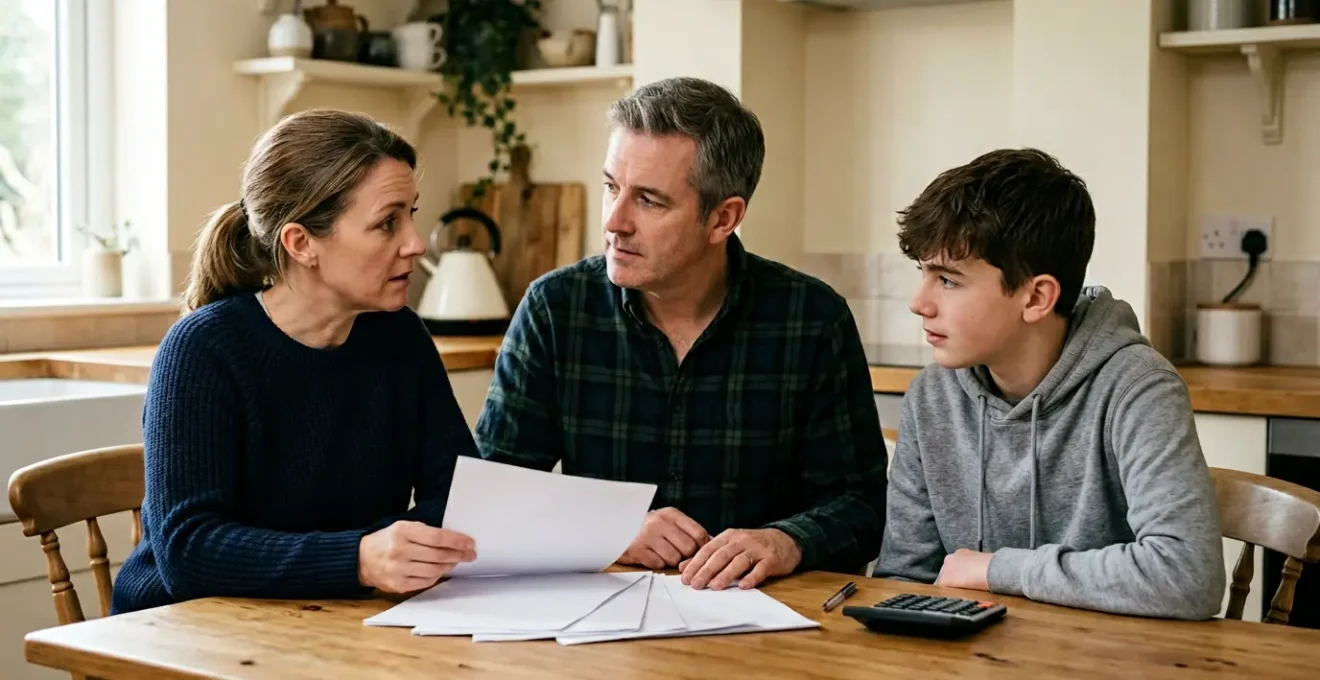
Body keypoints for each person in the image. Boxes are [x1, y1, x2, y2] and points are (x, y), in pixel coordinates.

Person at [471, 76, 888, 591]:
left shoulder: (812, 320)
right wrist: (606, 530)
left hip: (765, 629)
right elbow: (490, 496)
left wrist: (786, 541)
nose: (614, 221)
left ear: (723, 218)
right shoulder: (555, 309)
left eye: (648, 200)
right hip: (598, 629)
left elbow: (863, 505)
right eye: (610, 187)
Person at [111, 109, 478, 615]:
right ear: (301, 243)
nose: (415, 244)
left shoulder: (400, 337)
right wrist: (357, 559)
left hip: (329, 619)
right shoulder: (202, 350)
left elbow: (462, 490)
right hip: (180, 633)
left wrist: (396, 553)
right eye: (387, 223)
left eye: (411, 214)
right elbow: (189, 551)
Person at [873, 148, 1226, 620]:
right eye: (924, 273)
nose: (919, 302)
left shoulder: (1137, 388)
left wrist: (999, 569)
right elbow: (904, 580)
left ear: (1037, 297)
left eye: (949, 281)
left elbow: (1188, 576)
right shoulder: (932, 395)